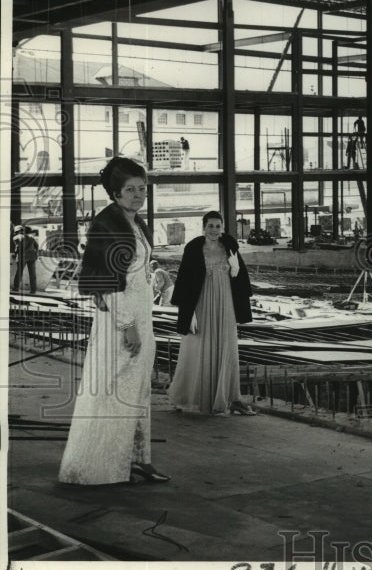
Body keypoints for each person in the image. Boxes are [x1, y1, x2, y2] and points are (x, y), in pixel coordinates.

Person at [59, 156, 169, 485]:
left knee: (136, 391)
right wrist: (128, 326)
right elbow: (104, 283)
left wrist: (150, 284)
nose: (138, 195)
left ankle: (136, 459)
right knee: (113, 391)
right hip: (121, 320)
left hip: (140, 314)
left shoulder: (135, 222)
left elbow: (133, 269)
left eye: (142, 189)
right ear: (115, 193)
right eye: (131, 190)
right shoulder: (107, 225)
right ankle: (97, 468)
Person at [168, 211, 255, 416]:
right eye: (210, 226)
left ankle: (232, 398)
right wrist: (188, 312)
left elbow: (240, 277)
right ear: (203, 227)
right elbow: (185, 281)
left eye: (217, 226)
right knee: (199, 346)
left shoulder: (230, 247)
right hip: (202, 303)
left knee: (227, 346)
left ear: (222, 228)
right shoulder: (193, 249)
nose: (214, 230)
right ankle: (197, 397)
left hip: (225, 302)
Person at [13, 225, 39, 293]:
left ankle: (16, 288)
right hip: (32, 256)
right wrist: (35, 253)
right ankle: (33, 290)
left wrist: (15, 254)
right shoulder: (32, 237)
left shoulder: (16, 237)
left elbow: (17, 248)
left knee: (19, 272)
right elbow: (37, 246)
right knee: (32, 274)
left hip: (23, 256)